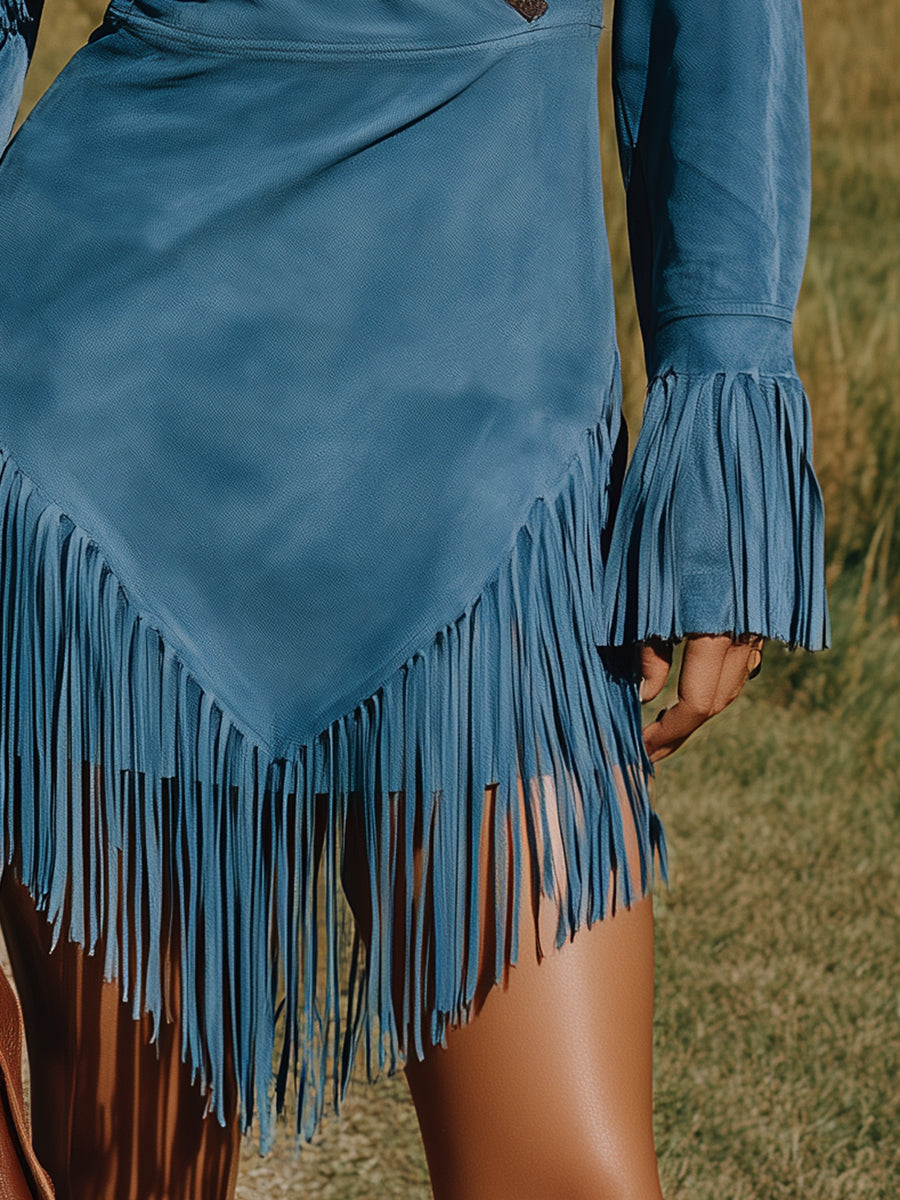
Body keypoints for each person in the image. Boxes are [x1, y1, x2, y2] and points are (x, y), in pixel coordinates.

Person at [0, 0, 828, 1196]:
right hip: (106, 458)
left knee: (571, 1176)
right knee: (133, 1170)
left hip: (503, 454)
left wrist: (724, 410)